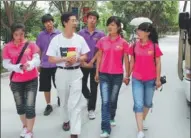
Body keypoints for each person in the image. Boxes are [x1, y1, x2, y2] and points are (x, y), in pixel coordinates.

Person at [46, 12, 90, 138]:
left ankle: (74, 132)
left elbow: (85, 55)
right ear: (65, 22)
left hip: (76, 73)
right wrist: (64, 59)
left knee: (74, 104)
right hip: (61, 73)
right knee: (64, 102)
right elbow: (51, 59)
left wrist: (77, 59)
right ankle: (66, 120)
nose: (75, 22)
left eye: (76, 20)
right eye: (73, 20)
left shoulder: (79, 39)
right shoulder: (56, 39)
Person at [2, 23, 40, 138]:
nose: (19, 37)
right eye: (16, 34)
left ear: (25, 33)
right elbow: (6, 64)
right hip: (16, 81)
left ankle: (29, 131)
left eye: (22, 34)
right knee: (20, 106)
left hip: (31, 80)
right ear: (12, 34)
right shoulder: (7, 47)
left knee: (30, 106)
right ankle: (25, 126)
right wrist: (17, 67)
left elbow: (37, 59)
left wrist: (31, 64)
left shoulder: (31, 45)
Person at [95, 16, 130, 137]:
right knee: (105, 101)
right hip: (104, 74)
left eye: (113, 25)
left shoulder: (124, 43)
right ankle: (105, 128)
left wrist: (127, 75)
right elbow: (99, 56)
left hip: (117, 76)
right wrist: (97, 72)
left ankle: (112, 116)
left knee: (113, 99)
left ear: (119, 27)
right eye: (109, 24)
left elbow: (126, 60)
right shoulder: (102, 40)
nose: (110, 27)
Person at [128, 22, 163, 138]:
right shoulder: (134, 46)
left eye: (141, 30)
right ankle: (140, 130)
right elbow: (132, 61)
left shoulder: (154, 46)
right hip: (137, 79)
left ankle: (141, 120)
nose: (138, 32)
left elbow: (158, 63)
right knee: (138, 104)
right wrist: (127, 75)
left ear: (148, 33)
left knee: (147, 103)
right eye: (138, 30)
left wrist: (158, 79)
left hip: (150, 79)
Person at [78, 11, 105, 120]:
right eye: (90, 18)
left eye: (94, 18)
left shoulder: (101, 34)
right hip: (82, 64)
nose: (92, 20)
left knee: (94, 87)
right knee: (81, 85)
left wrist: (91, 62)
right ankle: (88, 97)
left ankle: (91, 109)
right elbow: (77, 48)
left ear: (96, 20)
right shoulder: (80, 33)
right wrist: (82, 62)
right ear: (86, 19)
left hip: (95, 65)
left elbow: (100, 51)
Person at [36, 14, 61, 116]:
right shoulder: (40, 35)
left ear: (53, 22)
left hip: (57, 64)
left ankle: (60, 97)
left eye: (50, 21)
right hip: (45, 65)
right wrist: (38, 64)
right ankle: (49, 105)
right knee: (46, 86)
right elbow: (39, 50)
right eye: (46, 22)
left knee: (59, 84)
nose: (49, 24)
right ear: (44, 24)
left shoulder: (59, 34)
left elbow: (62, 49)